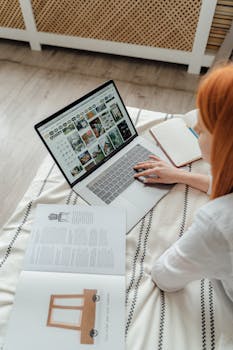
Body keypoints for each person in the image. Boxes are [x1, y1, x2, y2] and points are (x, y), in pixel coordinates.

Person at [133, 64, 233, 306]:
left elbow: (164, 277)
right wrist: (181, 176)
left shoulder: (218, 223)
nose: (196, 127)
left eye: (204, 126)